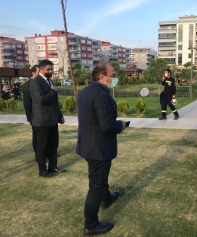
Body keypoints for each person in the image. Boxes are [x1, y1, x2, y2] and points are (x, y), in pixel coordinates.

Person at [77, 63, 127, 236]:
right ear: (101, 77)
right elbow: (106, 125)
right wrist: (120, 125)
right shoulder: (101, 95)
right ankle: (90, 225)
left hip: (90, 145)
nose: (114, 78)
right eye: (112, 75)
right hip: (98, 148)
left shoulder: (86, 91)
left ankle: (106, 199)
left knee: (101, 177)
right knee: (96, 186)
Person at [29, 60, 65, 178]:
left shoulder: (50, 81)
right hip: (42, 120)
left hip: (52, 119)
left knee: (54, 144)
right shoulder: (35, 82)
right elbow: (41, 99)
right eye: (48, 69)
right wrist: (53, 92)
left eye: (52, 69)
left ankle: (53, 166)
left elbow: (54, 102)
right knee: (42, 146)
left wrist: (60, 115)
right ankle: (42, 170)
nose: (50, 71)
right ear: (41, 69)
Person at [22, 64, 39, 155]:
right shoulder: (27, 86)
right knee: (36, 136)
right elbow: (27, 103)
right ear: (33, 73)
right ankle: (38, 154)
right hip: (34, 115)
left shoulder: (44, 83)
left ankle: (48, 152)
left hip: (44, 115)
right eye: (38, 72)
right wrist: (29, 117)